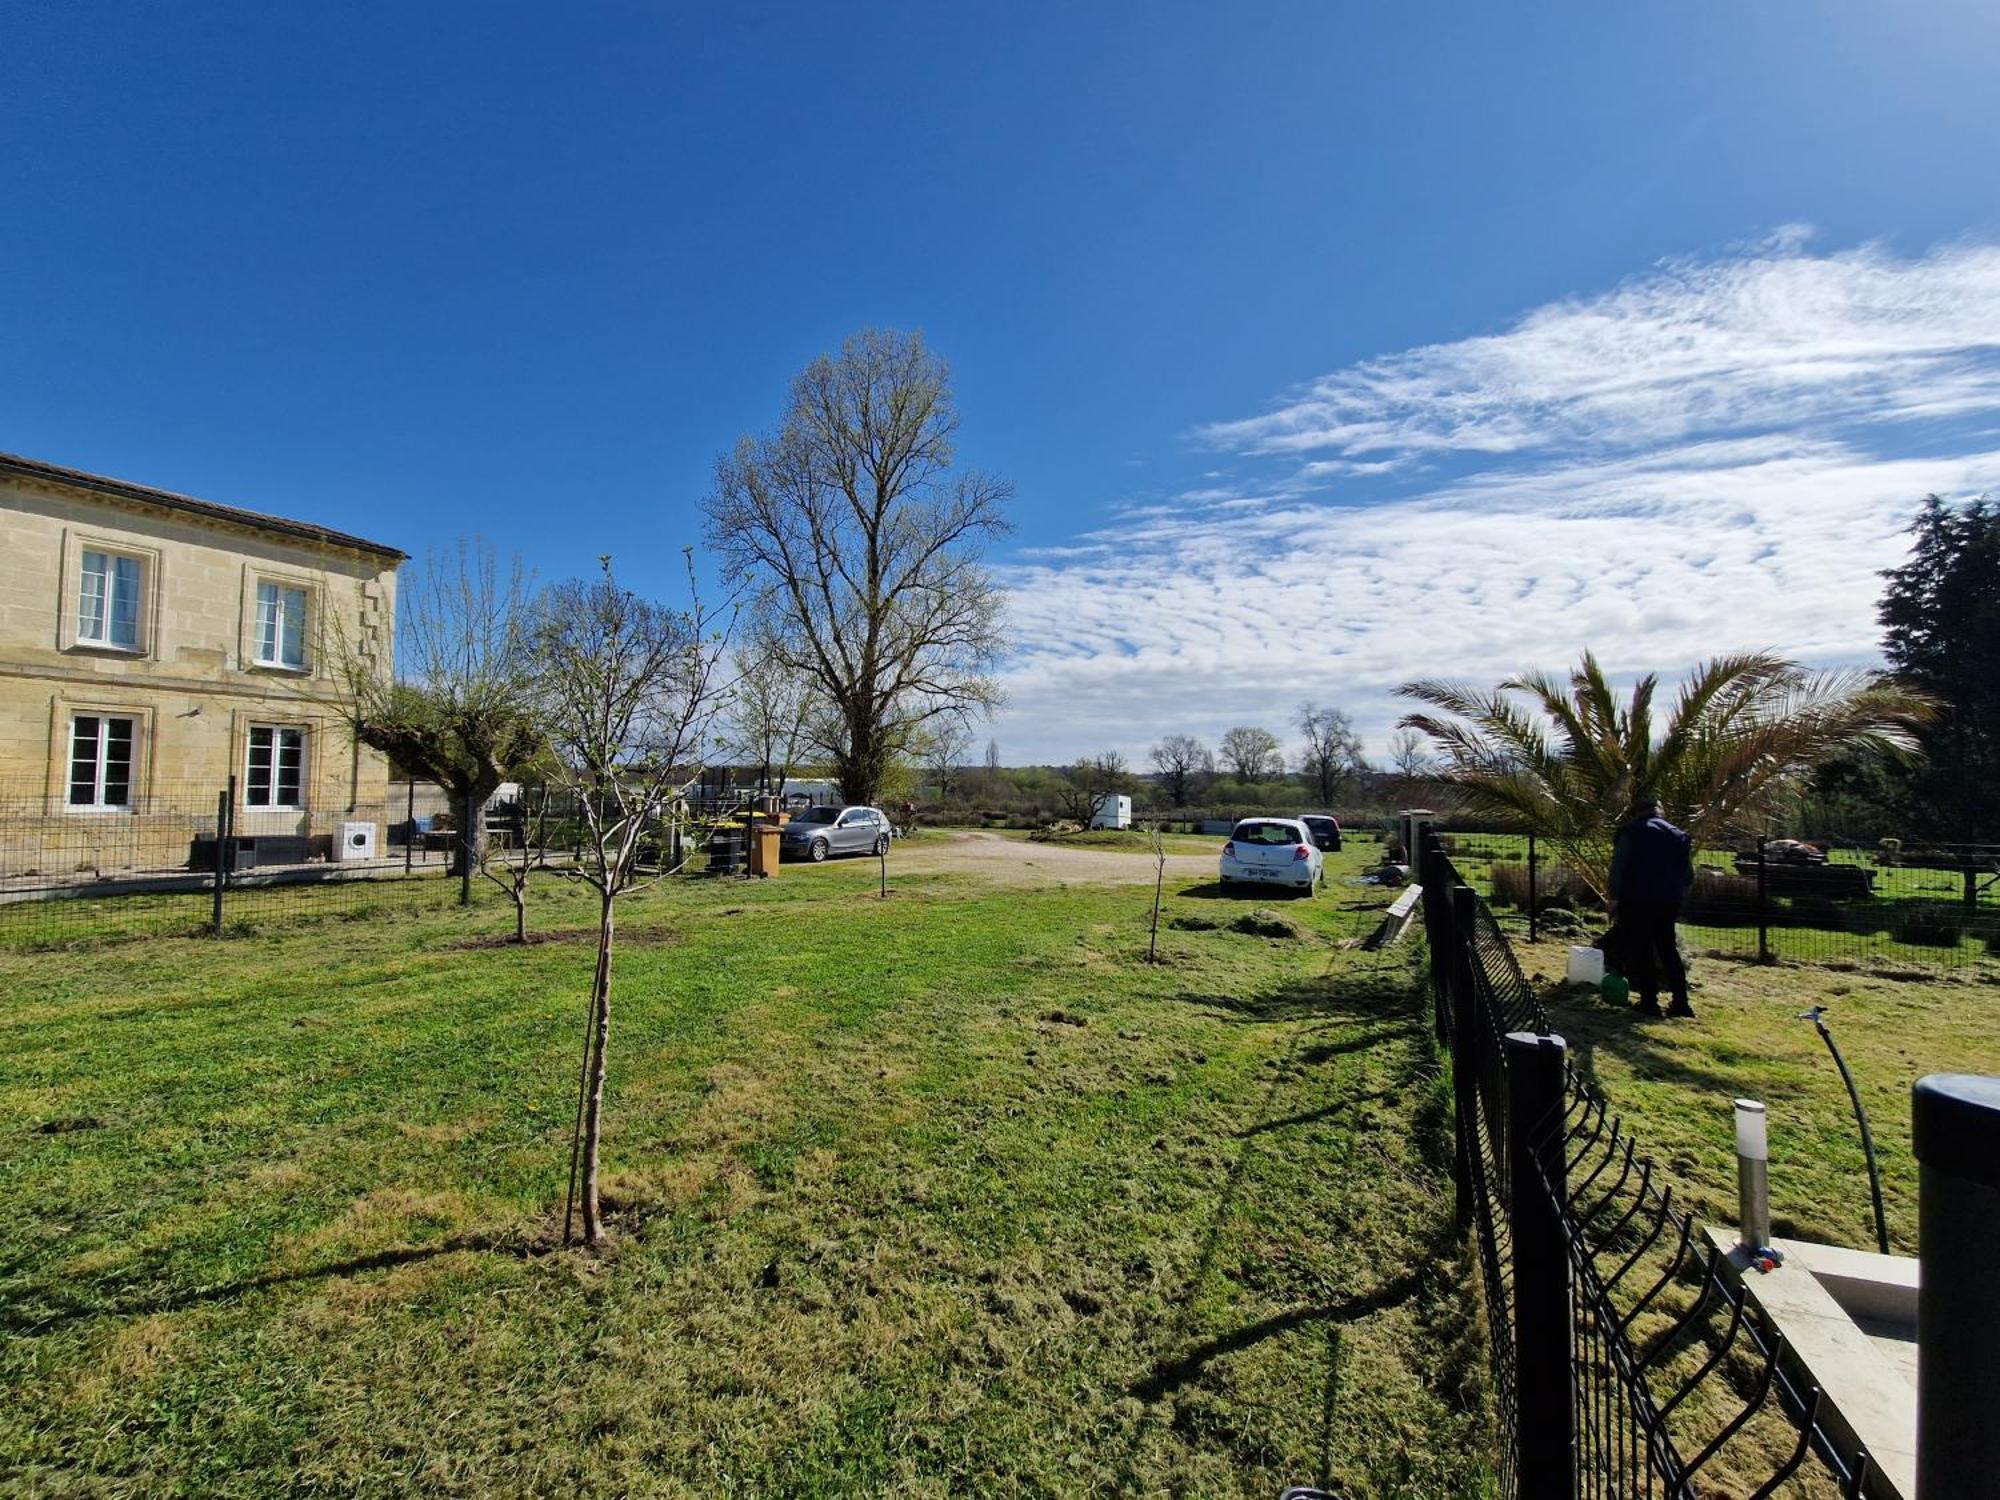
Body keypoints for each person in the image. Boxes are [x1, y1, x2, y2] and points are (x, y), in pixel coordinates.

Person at [1607, 796, 1695, 1019]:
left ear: (1636, 812)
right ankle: (1681, 1003)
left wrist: (1614, 899)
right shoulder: (1678, 835)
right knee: (1668, 948)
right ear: (1659, 811)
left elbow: (1620, 866)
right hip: (1668, 901)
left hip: (1636, 899)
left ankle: (1649, 1002)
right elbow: (1688, 876)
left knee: (1642, 949)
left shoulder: (1632, 832)